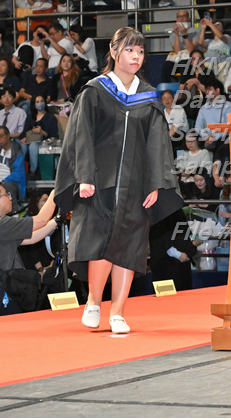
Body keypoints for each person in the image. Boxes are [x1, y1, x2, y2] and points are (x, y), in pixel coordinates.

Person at [53, 27, 183, 334]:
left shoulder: (148, 96)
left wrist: (155, 183)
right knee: (100, 243)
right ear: (113, 52)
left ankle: (119, 312)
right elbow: (81, 136)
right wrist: (84, 176)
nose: (136, 56)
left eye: (140, 51)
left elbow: (157, 144)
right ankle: (94, 302)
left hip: (136, 186)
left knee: (130, 246)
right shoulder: (95, 90)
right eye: (129, 50)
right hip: (100, 182)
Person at [0, 183, 58, 318]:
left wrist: (56, 220)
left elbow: (32, 238)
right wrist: (56, 191)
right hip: (1, 294)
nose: (11, 198)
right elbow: (41, 220)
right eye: (7, 194)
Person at [21, 95, 58, 180]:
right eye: (37, 102)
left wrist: (42, 132)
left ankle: (33, 171)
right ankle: (20, 170)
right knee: (22, 145)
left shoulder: (51, 117)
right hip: (29, 140)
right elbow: (24, 131)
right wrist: (24, 138)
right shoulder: (30, 117)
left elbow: (54, 135)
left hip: (44, 141)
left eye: (41, 101)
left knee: (33, 146)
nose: (39, 103)